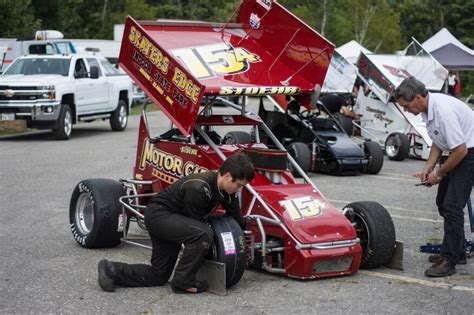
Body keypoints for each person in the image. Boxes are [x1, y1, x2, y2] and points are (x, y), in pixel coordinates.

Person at [98, 152, 255, 293]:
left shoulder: (227, 191)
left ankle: (111, 270)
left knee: (158, 275)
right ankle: (183, 281)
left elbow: (235, 219)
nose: (239, 190)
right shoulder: (200, 187)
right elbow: (196, 227)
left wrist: (243, 245)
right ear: (227, 176)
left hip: (172, 219)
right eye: (239, 185)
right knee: (203, 233)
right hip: (159, 215)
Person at [394, 77, 474, 277]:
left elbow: (461, 151)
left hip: (469, 153)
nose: (406, 110)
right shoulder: (427, 109)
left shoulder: (442, 112)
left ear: (419, 97)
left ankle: (450, 260)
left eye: (406, 105)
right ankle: (458, 250)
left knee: (452, 206)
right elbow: (439, 142)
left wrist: (438, 173)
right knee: (442, 203)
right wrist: (427, 168)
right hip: (459, 151)